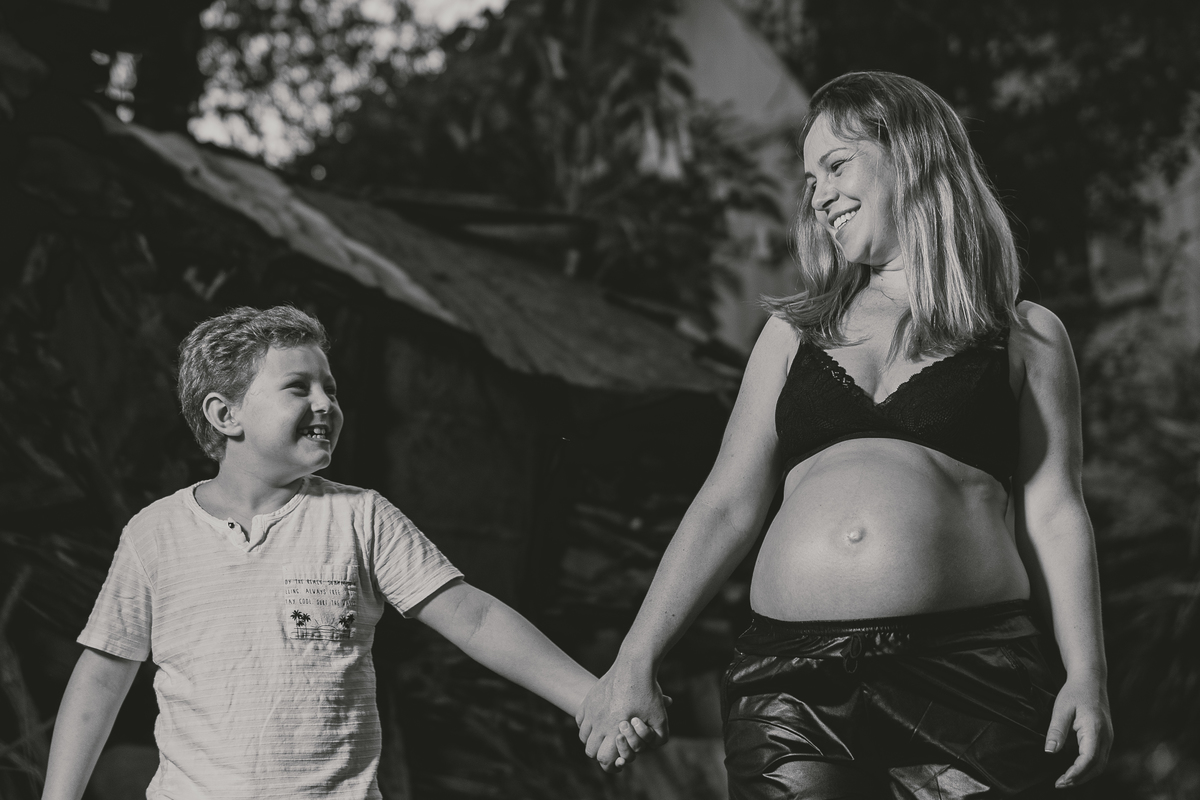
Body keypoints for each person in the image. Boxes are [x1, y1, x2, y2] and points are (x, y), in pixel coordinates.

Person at [576, 71, 1113, 798]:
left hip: (970, 671)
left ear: (913, 157)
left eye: (836, 165)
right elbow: (726, 504)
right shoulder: (793, 333)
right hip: (788, 683)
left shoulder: (1025, 334)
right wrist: (635, 659)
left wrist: (1087, 673)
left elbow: (1055, 513)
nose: (820, 195)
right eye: (810, 181)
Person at [41, 305, 649, 800]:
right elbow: (102, 678)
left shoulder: (360, 517)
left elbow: (475, 617)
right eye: (298, 388)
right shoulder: (155, 534)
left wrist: (594, 699)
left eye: (330, 390)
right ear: (225, 415)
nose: (326, 404)